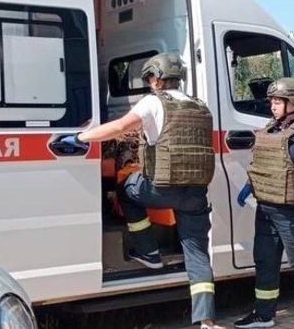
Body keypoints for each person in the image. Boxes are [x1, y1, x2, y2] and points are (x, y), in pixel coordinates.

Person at [62, 52, 220, 329]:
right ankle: (206, 321)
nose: (149, 84)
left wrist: (80, 137)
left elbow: (121, 126)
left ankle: (149, 252)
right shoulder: (199, 105)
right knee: (197, 253)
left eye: (149, 79)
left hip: (161, 188)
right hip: (196, 192)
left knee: (125, 190)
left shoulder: (153, 101)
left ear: (157, 79)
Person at [234, 77, 294, 329]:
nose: (272, 106)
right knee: (265, 262)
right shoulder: (272, 128)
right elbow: (264, 164)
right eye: (272, 101)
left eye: (278, 101)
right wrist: (250, 185)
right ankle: (263, 315)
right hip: (266, 208)